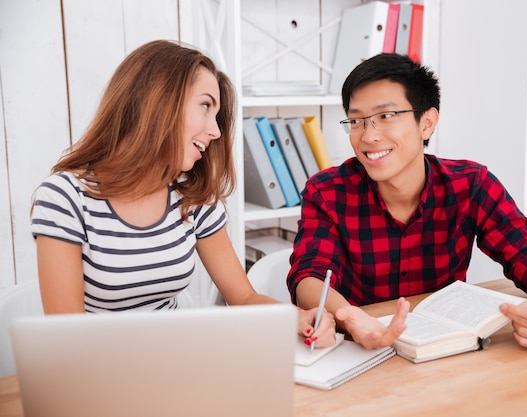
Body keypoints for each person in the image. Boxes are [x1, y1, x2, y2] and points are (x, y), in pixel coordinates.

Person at [30, 40, 335, 348]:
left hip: (178, 364)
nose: (215, 131)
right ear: (157, 100)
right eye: (205, 106)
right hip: (99, 372)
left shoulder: (194, 199)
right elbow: (67, 339)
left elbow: (243, 297)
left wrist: (295, 317)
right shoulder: (65, 198)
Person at [287, 53, 527, 351]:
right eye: (357, 121)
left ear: (426, 123)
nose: (368, 136)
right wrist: (350, 318)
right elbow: (309, 275)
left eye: (385, 116)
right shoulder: (327, 190)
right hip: (358, 352)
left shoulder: (471, 184)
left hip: (446, 353)